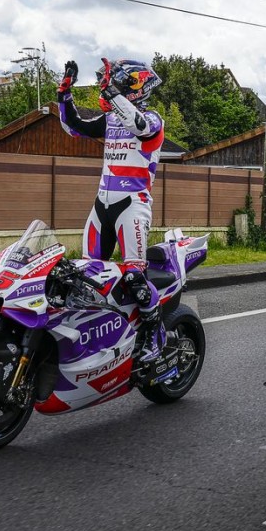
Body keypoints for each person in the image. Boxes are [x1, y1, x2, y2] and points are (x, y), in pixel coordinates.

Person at [57, 57, 167, 372]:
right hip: (102, 206)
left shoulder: (152, 118)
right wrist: (65, 93)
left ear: (137, 87)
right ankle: (97, 338)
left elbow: (140, 127)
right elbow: (73, 127)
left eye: (120, 83)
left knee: (133, 277)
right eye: (114, 82)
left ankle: (155, 337)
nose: (114, 88)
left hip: (132, 204)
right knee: (84, 280)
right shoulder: (111, 119)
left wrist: (111, 92)